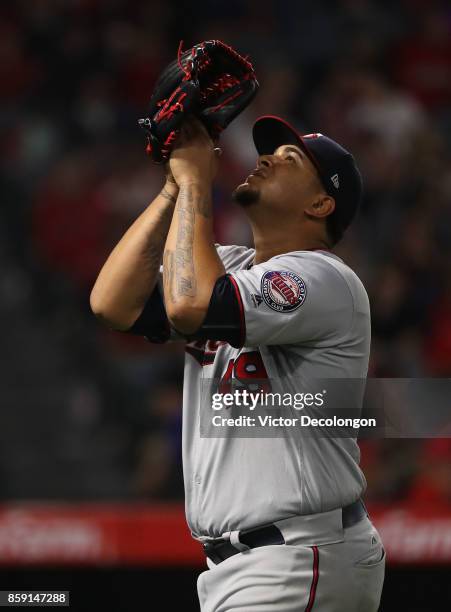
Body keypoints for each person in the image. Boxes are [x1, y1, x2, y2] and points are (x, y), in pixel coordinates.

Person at [90, 115, 385, 611]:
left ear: (320, 204)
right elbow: (112, 302)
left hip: (297, 556)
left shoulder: (324, 278)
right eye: (270, 151)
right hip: (246, 565)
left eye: (290, 160)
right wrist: (171, 188)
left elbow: (191, 306)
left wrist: (196, 183)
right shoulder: (226, 266)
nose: (266, 157)